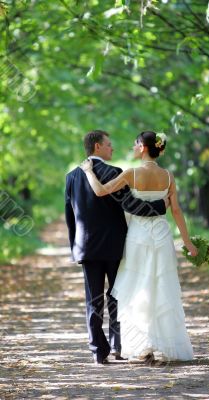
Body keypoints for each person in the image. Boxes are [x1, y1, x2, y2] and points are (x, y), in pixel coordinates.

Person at [80, 130, 198, 362]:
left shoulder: (131, 174)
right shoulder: (168, 176)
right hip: (162, 236)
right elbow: (176, 211)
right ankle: (167, 345)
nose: (133, 148)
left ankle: (143, 345)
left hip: (138, 236)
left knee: (138, 288)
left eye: (135, 145)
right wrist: (188, 242)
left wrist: (88, 172)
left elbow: (100, 191)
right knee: (162, 286)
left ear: (143, 148)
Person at [65, 130, 168, 365]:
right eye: (109, 145)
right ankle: (119, 346)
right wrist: (161, 206)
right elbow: (131, 205)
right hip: (114, 245)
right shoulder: (114, 173)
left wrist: (75, 248)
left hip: (87, 248)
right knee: (117, 296)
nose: (113, 148)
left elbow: (70, 216)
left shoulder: (72, 177)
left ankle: (97, 352)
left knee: (93, 300)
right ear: (98, 147)